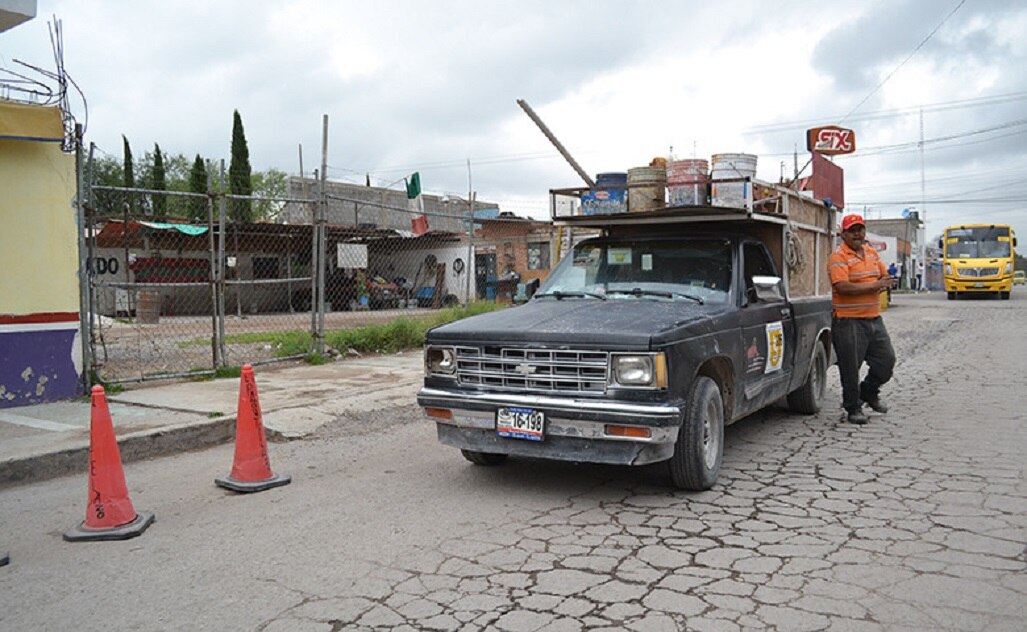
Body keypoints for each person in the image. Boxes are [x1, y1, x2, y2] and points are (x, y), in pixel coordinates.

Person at [828, 214, 897, 425]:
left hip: (873, 319)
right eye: (852, 230)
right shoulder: (838, 256)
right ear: (843, 234)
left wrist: (888, 283)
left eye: (860, 229)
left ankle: (868, 392)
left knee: (886, 361)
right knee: (850, 367)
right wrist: (874, 286)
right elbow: (842, 286)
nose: (857, 234)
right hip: (848, 321)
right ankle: (853, 407)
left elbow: (884, 278)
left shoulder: (872, 254)